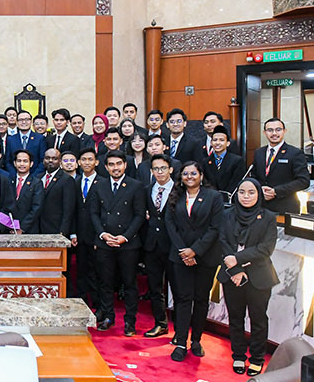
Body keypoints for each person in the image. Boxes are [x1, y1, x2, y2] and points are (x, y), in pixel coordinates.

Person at [217, 178, 280, 377]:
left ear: (259, 194)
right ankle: (238, 355)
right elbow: (222, 241)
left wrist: (237, 259)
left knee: (258, 319)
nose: (246, 196)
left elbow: (266, 248)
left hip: (259, 276)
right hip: (231, 275)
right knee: (235, 318)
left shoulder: (268, 217)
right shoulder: (227, 214)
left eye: (251, 192)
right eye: (242, 192)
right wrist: (235, 270)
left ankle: (257, 358)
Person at [165, 161, 223, 361]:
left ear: (201, 175)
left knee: (200, 299)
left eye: (193, 173)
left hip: (205, 257)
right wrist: (184, 251)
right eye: (185, 174)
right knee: (183, 299)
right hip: (180, 256)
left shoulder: (214, 197)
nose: (189, 177)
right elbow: (170, 224)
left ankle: (196, 340)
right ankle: (181, 342)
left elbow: (215, 228)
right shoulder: (175, 195)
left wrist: (195, 251)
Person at [88, 150, 146, 336]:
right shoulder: (99, 185)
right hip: (105, 242)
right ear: (106, 167)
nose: (115, 168)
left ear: (125, 165)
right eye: (111, 164)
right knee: (105, 282)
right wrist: (103, 234)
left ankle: (130, 321)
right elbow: (94, 213)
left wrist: (125, 236)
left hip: (128, 243)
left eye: (119, 164)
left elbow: (139, 215)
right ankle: (108, 316)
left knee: (129, 284)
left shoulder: (136, 186)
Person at [141, 154, 176, 339]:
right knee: (155, 288)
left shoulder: (180, 190)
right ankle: (160, 323)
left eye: (163, 168)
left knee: (178, 289)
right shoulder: (147, 190)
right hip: (152, 245)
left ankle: (180, 329)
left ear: (170, 169)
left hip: (173, 245)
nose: (159, 172)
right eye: (156, 169)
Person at [250, 118, 310, 215]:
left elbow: (303, 181)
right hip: (260, 206)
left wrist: (276, 191)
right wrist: (260, 189)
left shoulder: (295, 153)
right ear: (264, 132)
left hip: (284, 207)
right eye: (270, 130)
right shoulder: (259, 152)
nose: (274, 133)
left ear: (284, 131)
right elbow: (254, 176)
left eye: (278, 129)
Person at [74, 148, 104, 310]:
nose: (87, 162)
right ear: (79, 162)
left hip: (96, 235)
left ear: (96, 162)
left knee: (97, 272)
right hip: (79, 234)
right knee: (81, 270)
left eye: (90, 159)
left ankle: (98, 304)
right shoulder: (75, 181)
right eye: (83, 159)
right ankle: (82, 301)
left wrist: (101, 235)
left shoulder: (103, 182)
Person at [37, 149, 76, 239]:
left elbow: (68, 210)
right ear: (43, 160)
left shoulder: (67, 180)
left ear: (60, 161)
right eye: (47, 158)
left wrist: (63, 231)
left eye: (54, 158)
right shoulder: (38, 178)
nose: (50, 161)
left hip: (56, 228)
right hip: (38, 228)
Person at [203, 125, 245, 194]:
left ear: (228, 143)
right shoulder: (205, 162)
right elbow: (206, 183)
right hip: (211, 197)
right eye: (215, 140)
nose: (217, 143)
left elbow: (236, 183)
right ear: (211, 143)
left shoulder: (237, 161)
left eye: (221, 140)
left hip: (230, 197)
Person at [10, 150, 43, 234]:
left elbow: (36, 208)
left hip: (29, 230)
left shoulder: (36, 183)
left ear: (31, 164)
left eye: (25, 161)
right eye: (19, 161)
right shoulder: (8, 180)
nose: (22, 164)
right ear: (14, 163)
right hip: (9, 229)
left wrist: (22, 228)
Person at [4, 110, 45, 175]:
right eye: (21, 120)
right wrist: (15, 176)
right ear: (17, 122)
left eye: (27, 119)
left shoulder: (40, 138)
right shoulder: (11, 139)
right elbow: (7, 161)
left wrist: (33, 177)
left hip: (35, 177)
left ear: (31, 122)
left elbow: (42, 161)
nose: (24, 122)